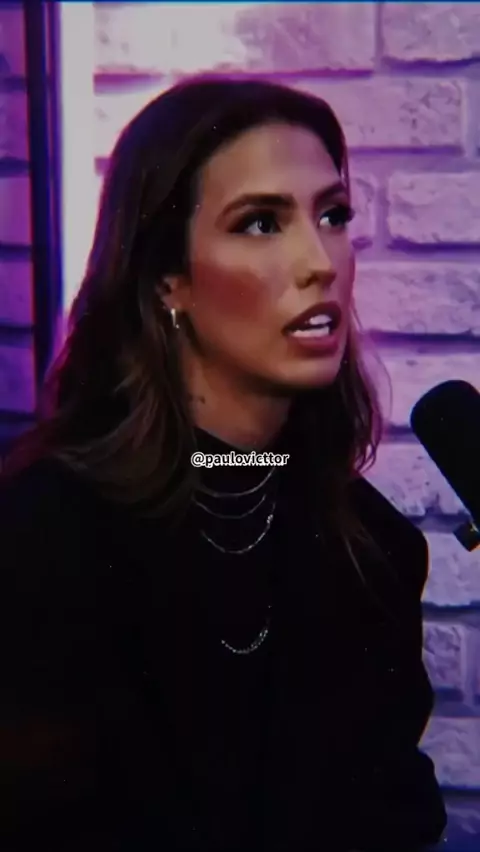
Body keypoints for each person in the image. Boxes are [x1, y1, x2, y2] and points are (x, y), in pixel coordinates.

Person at [0, 75, 446, 851]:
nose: (319, 261)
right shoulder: (45, 532)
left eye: (333, 215)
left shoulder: (372, 550)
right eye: (261, 223)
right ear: (168, 281)